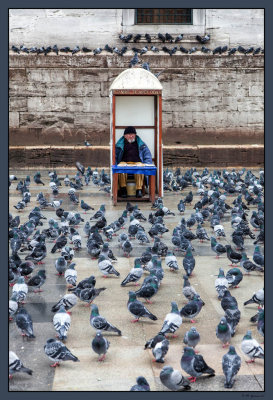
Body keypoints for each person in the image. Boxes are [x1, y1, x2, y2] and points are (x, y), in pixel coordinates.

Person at [115, 126, 153, 198]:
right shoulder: (119, 144)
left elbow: (147, 154)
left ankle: (138, 190)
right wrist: (115, 164)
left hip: (137, 162)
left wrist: (147, 164)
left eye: (132, 134)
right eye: (129, 134)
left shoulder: (141, 144)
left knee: (140, 168)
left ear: (135, 135)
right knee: (121, 168)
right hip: (124, 162)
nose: (131, 136)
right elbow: (115, 156)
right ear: (125, 136)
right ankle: (123, 189)